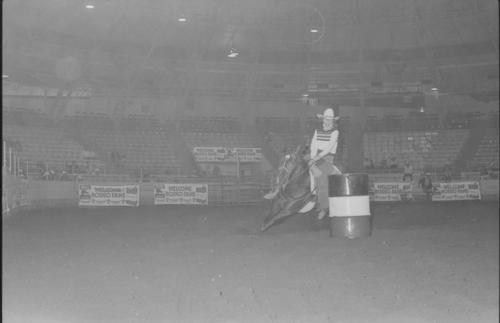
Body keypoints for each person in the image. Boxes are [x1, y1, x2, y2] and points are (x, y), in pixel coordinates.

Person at [308, 107, 341, 219]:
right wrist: (312, 159)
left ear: (333, 121)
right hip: (314, 157)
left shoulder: (335, 132)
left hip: (326, 159)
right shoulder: (317, 131)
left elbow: (328, 148)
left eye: (329, 119)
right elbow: (313, 145)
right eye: (325, 119)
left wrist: (315, 159)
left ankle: (324, 208)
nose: (327, 121)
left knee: (322, 179)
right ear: (322, 120)